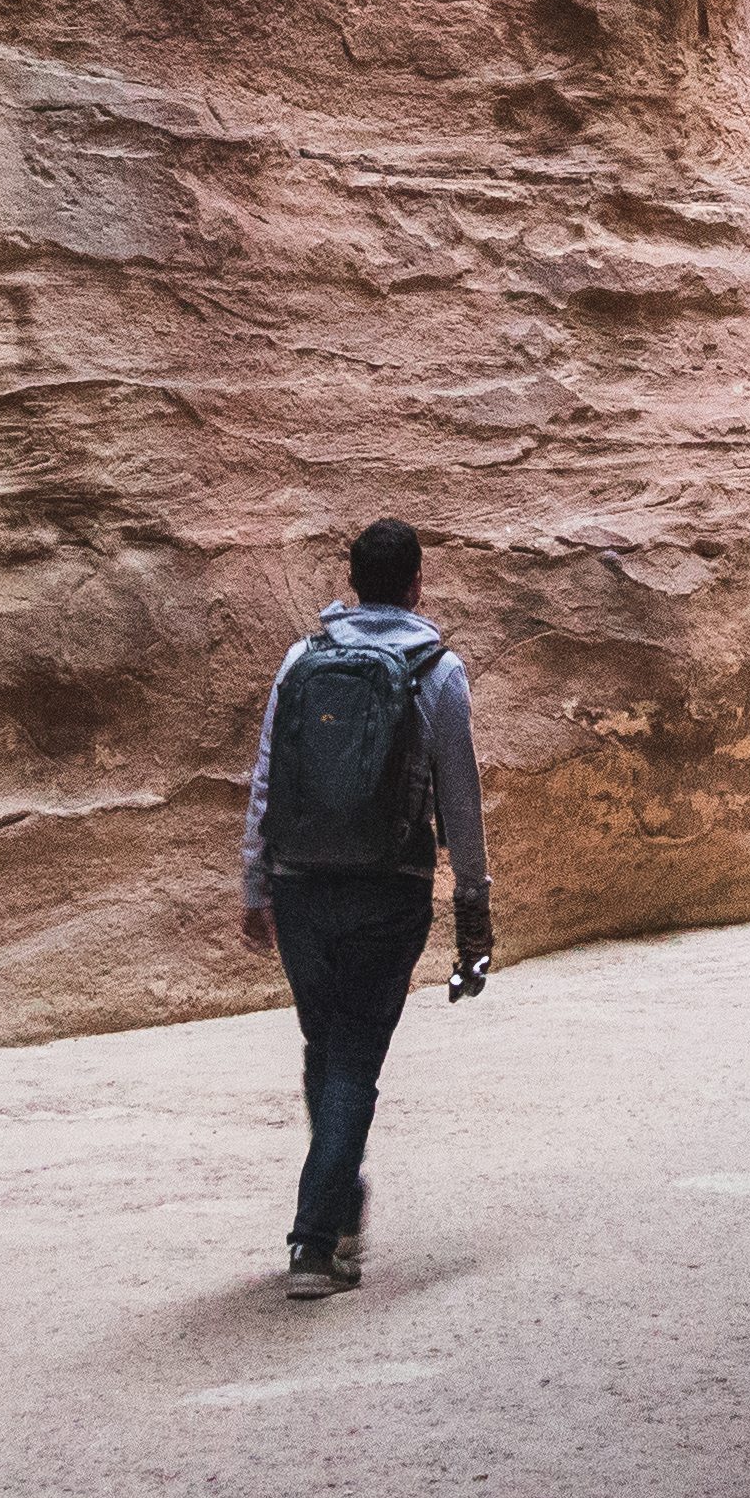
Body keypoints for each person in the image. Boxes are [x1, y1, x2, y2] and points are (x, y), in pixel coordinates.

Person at [236, 518, 490, 1300]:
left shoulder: (301, 659)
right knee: (352, 1054)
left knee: (325, 1046)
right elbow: (460, 799)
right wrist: (473, 907)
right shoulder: (439, 672)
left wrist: (256, 883)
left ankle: (340, 1213)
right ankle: (315, 1241)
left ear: (352, 581)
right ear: (418, 584)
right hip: (390, 886)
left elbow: (268, 778)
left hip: (303, 883)